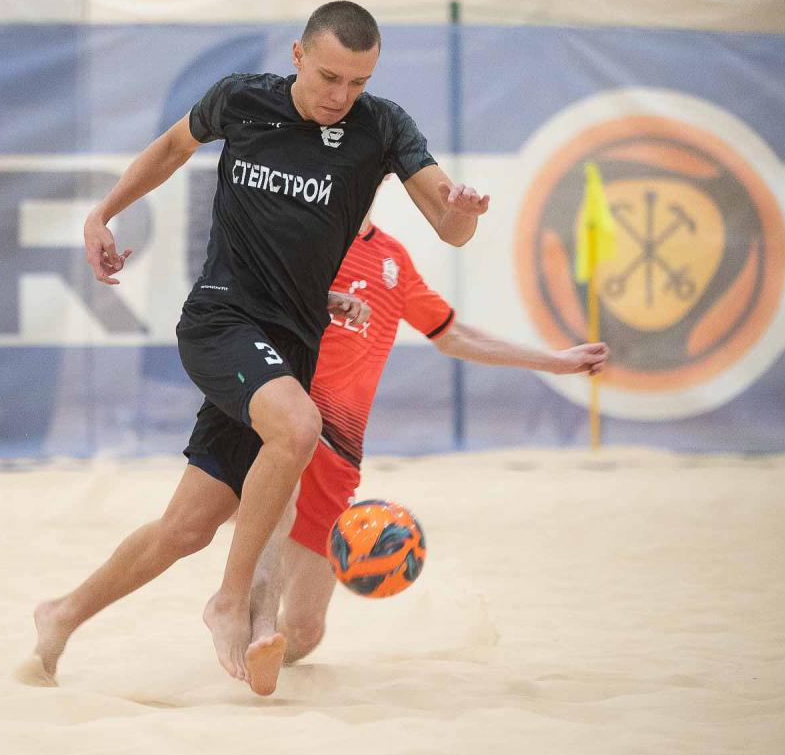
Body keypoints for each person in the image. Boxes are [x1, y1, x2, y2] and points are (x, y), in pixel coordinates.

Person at [25, 0, 490, 693]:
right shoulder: (242, 100)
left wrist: (463, 214)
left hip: (287, 347)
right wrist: (103, 213)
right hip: (220, 320)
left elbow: (449, 227)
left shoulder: (384, 126)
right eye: (329, 77)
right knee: (299, 426)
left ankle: (61, 614)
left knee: (186, 527)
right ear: (298, 56)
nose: (341, 96)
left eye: (358, 82)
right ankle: (233, 600)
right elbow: (172, 148)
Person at [245, 190, 609, 680]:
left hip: (340, 456)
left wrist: (554, 361)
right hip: (285, 425)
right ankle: (251, 627)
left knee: (306, 631)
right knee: (266, 522)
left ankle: (258, 655)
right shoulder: (298, 241)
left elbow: (453, 335)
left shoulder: (391, 258)